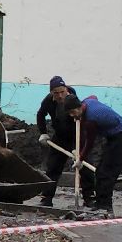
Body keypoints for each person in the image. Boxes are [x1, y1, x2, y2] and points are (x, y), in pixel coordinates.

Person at [69, 96, 122, 215]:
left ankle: (106, 206)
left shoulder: (90, 120)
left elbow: (89, 143)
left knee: (106, 173)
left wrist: (80, 159)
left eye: (73, 113)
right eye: (70, 114)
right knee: (100, 171)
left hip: (121, 137)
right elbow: (94, 96)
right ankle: (100, 203)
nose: (73, 116)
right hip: (113, 137)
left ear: (79, 107)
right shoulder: (87, 102)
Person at [35, 77, 81, 207]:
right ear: (51, 93)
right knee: (53, 167)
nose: (60, 96)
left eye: (62, 92)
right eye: (56, 93)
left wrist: (76, 147)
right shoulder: (49, 101)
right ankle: (46, 198)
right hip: (59, 137)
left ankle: (90, 198)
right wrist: (43, 132)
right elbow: (40, 114)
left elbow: (81, 120)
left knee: (82, 166)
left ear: (66, 89)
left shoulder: (72, 99)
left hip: (75, 136)